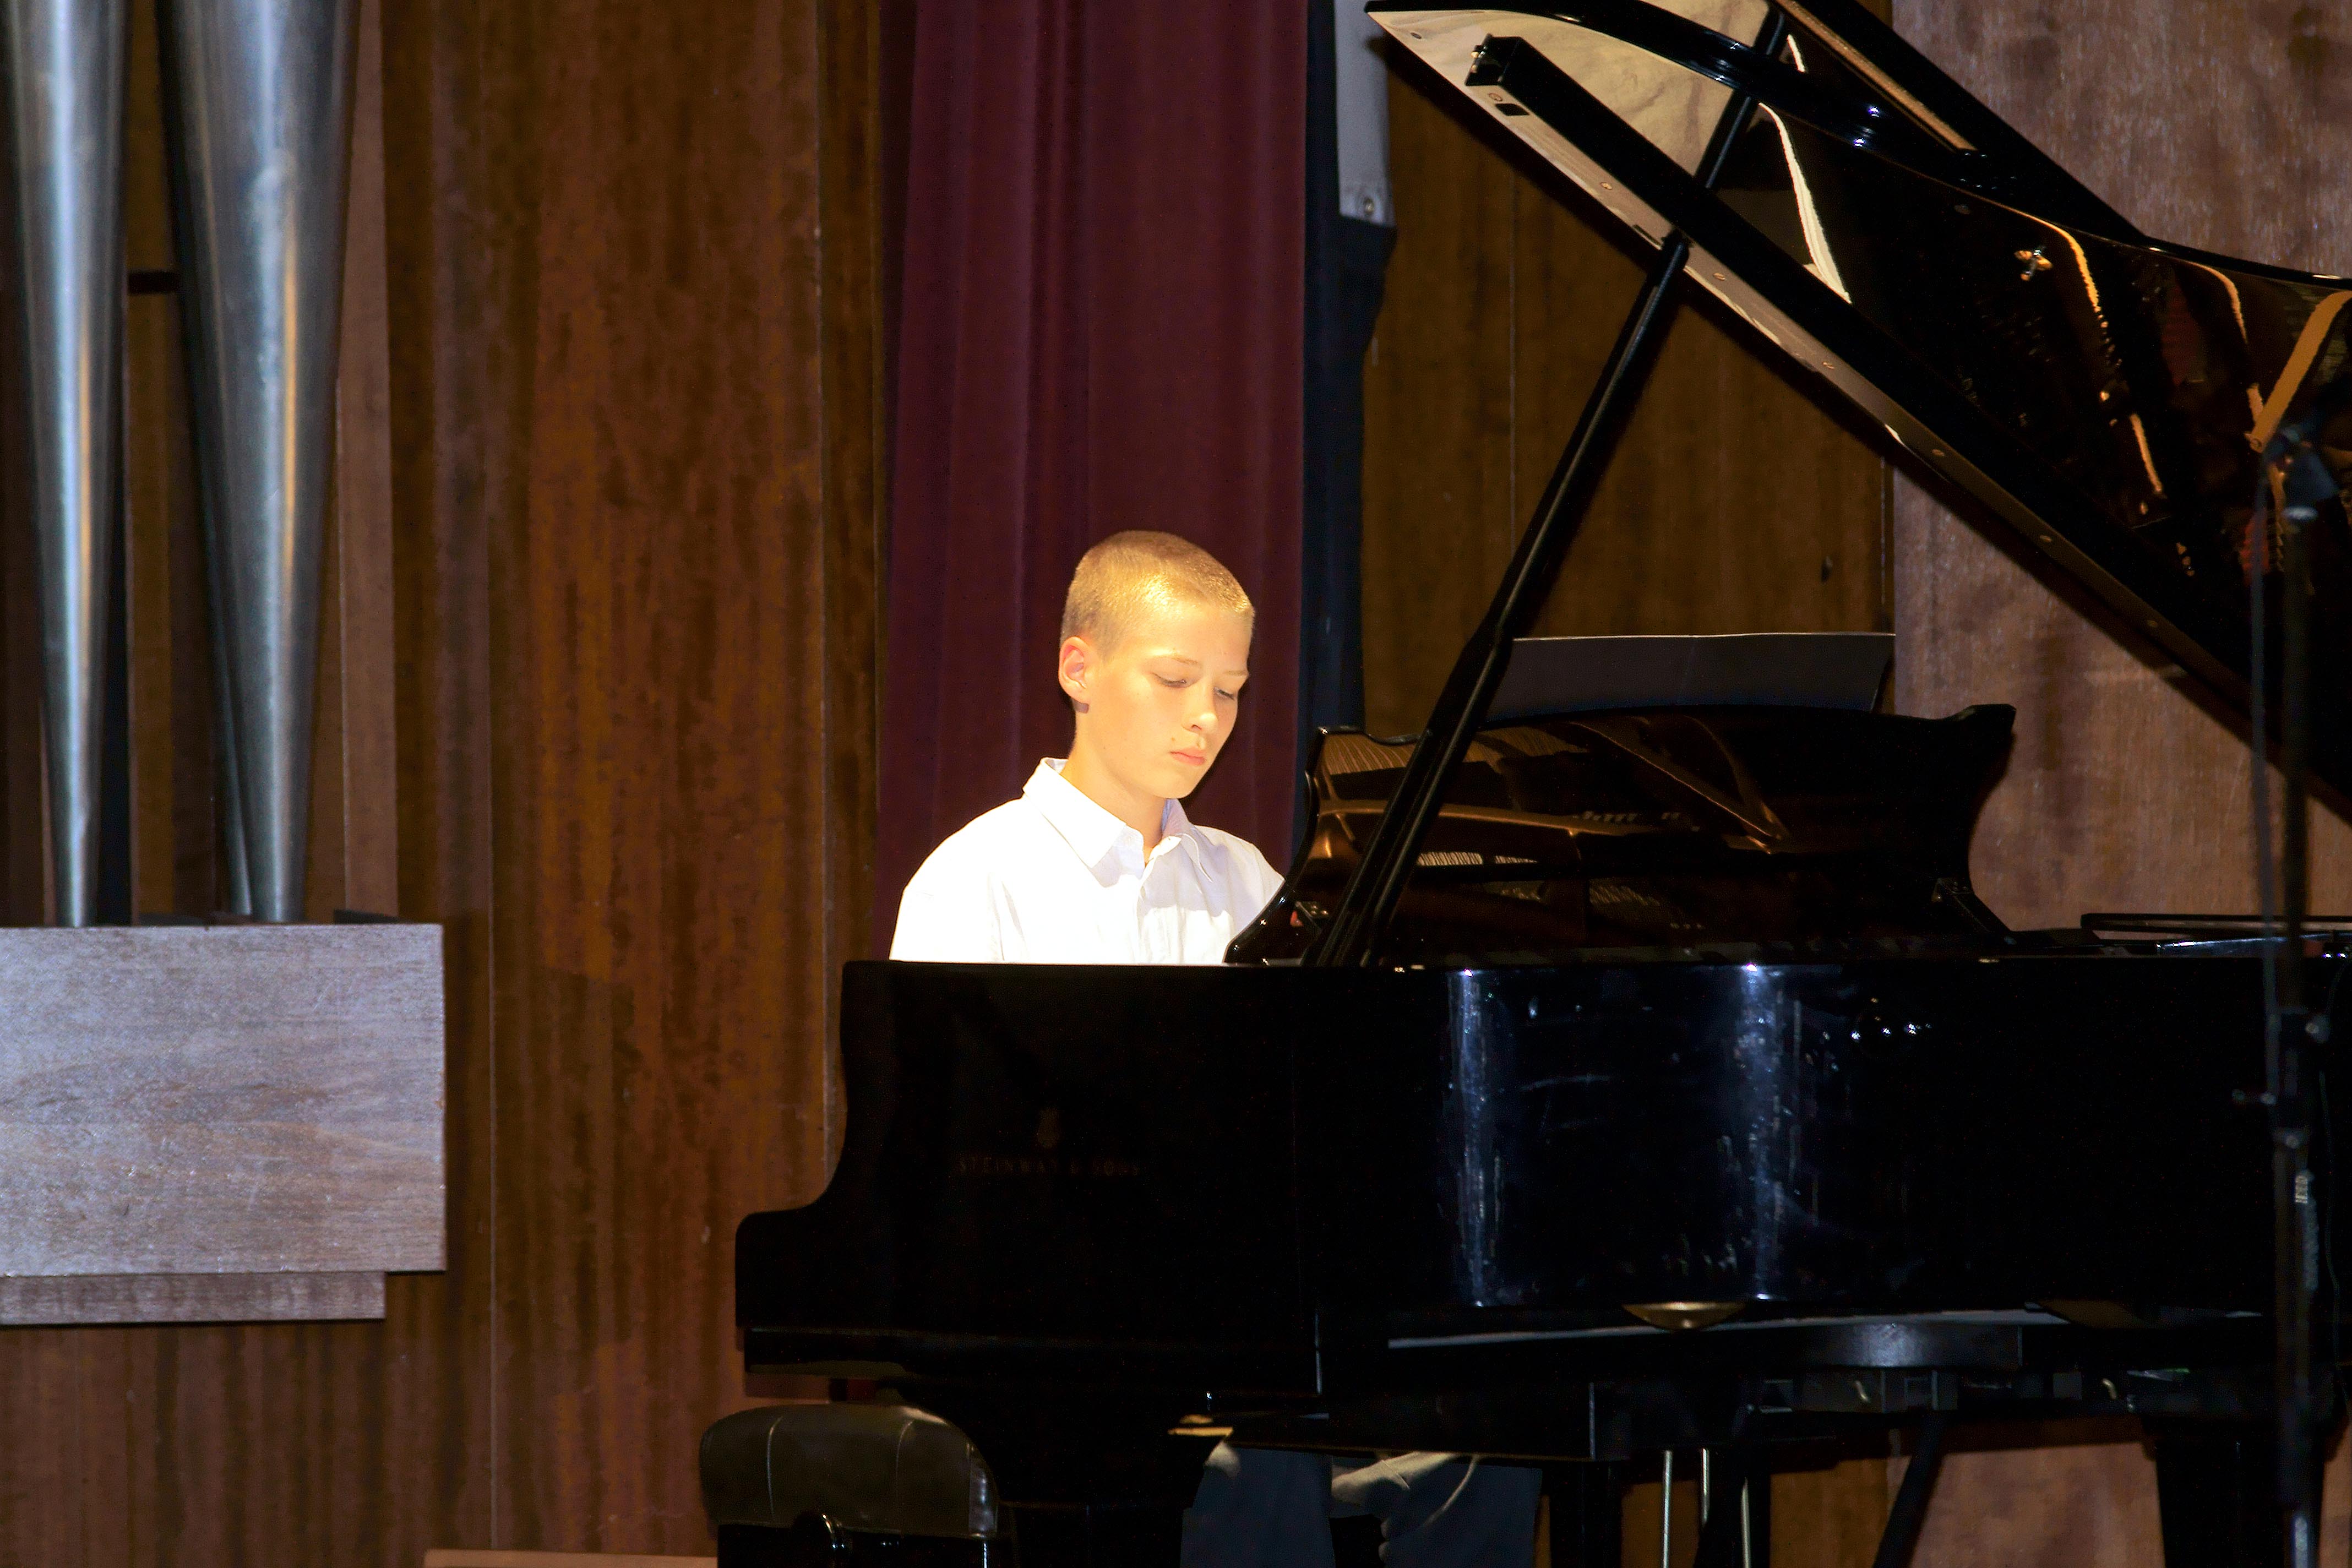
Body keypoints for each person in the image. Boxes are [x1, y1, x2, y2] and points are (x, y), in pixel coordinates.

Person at [891, 530, 1540, 1567]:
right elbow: (954, 1174)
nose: (1208, 716)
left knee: (1495, 1436)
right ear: (1078, 669)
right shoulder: (977, 880)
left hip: (1239, 1330)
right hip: (1060, 1337)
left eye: (1231, 691)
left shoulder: (1247, 880)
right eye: (1174, 679)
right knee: (1252, 1458)